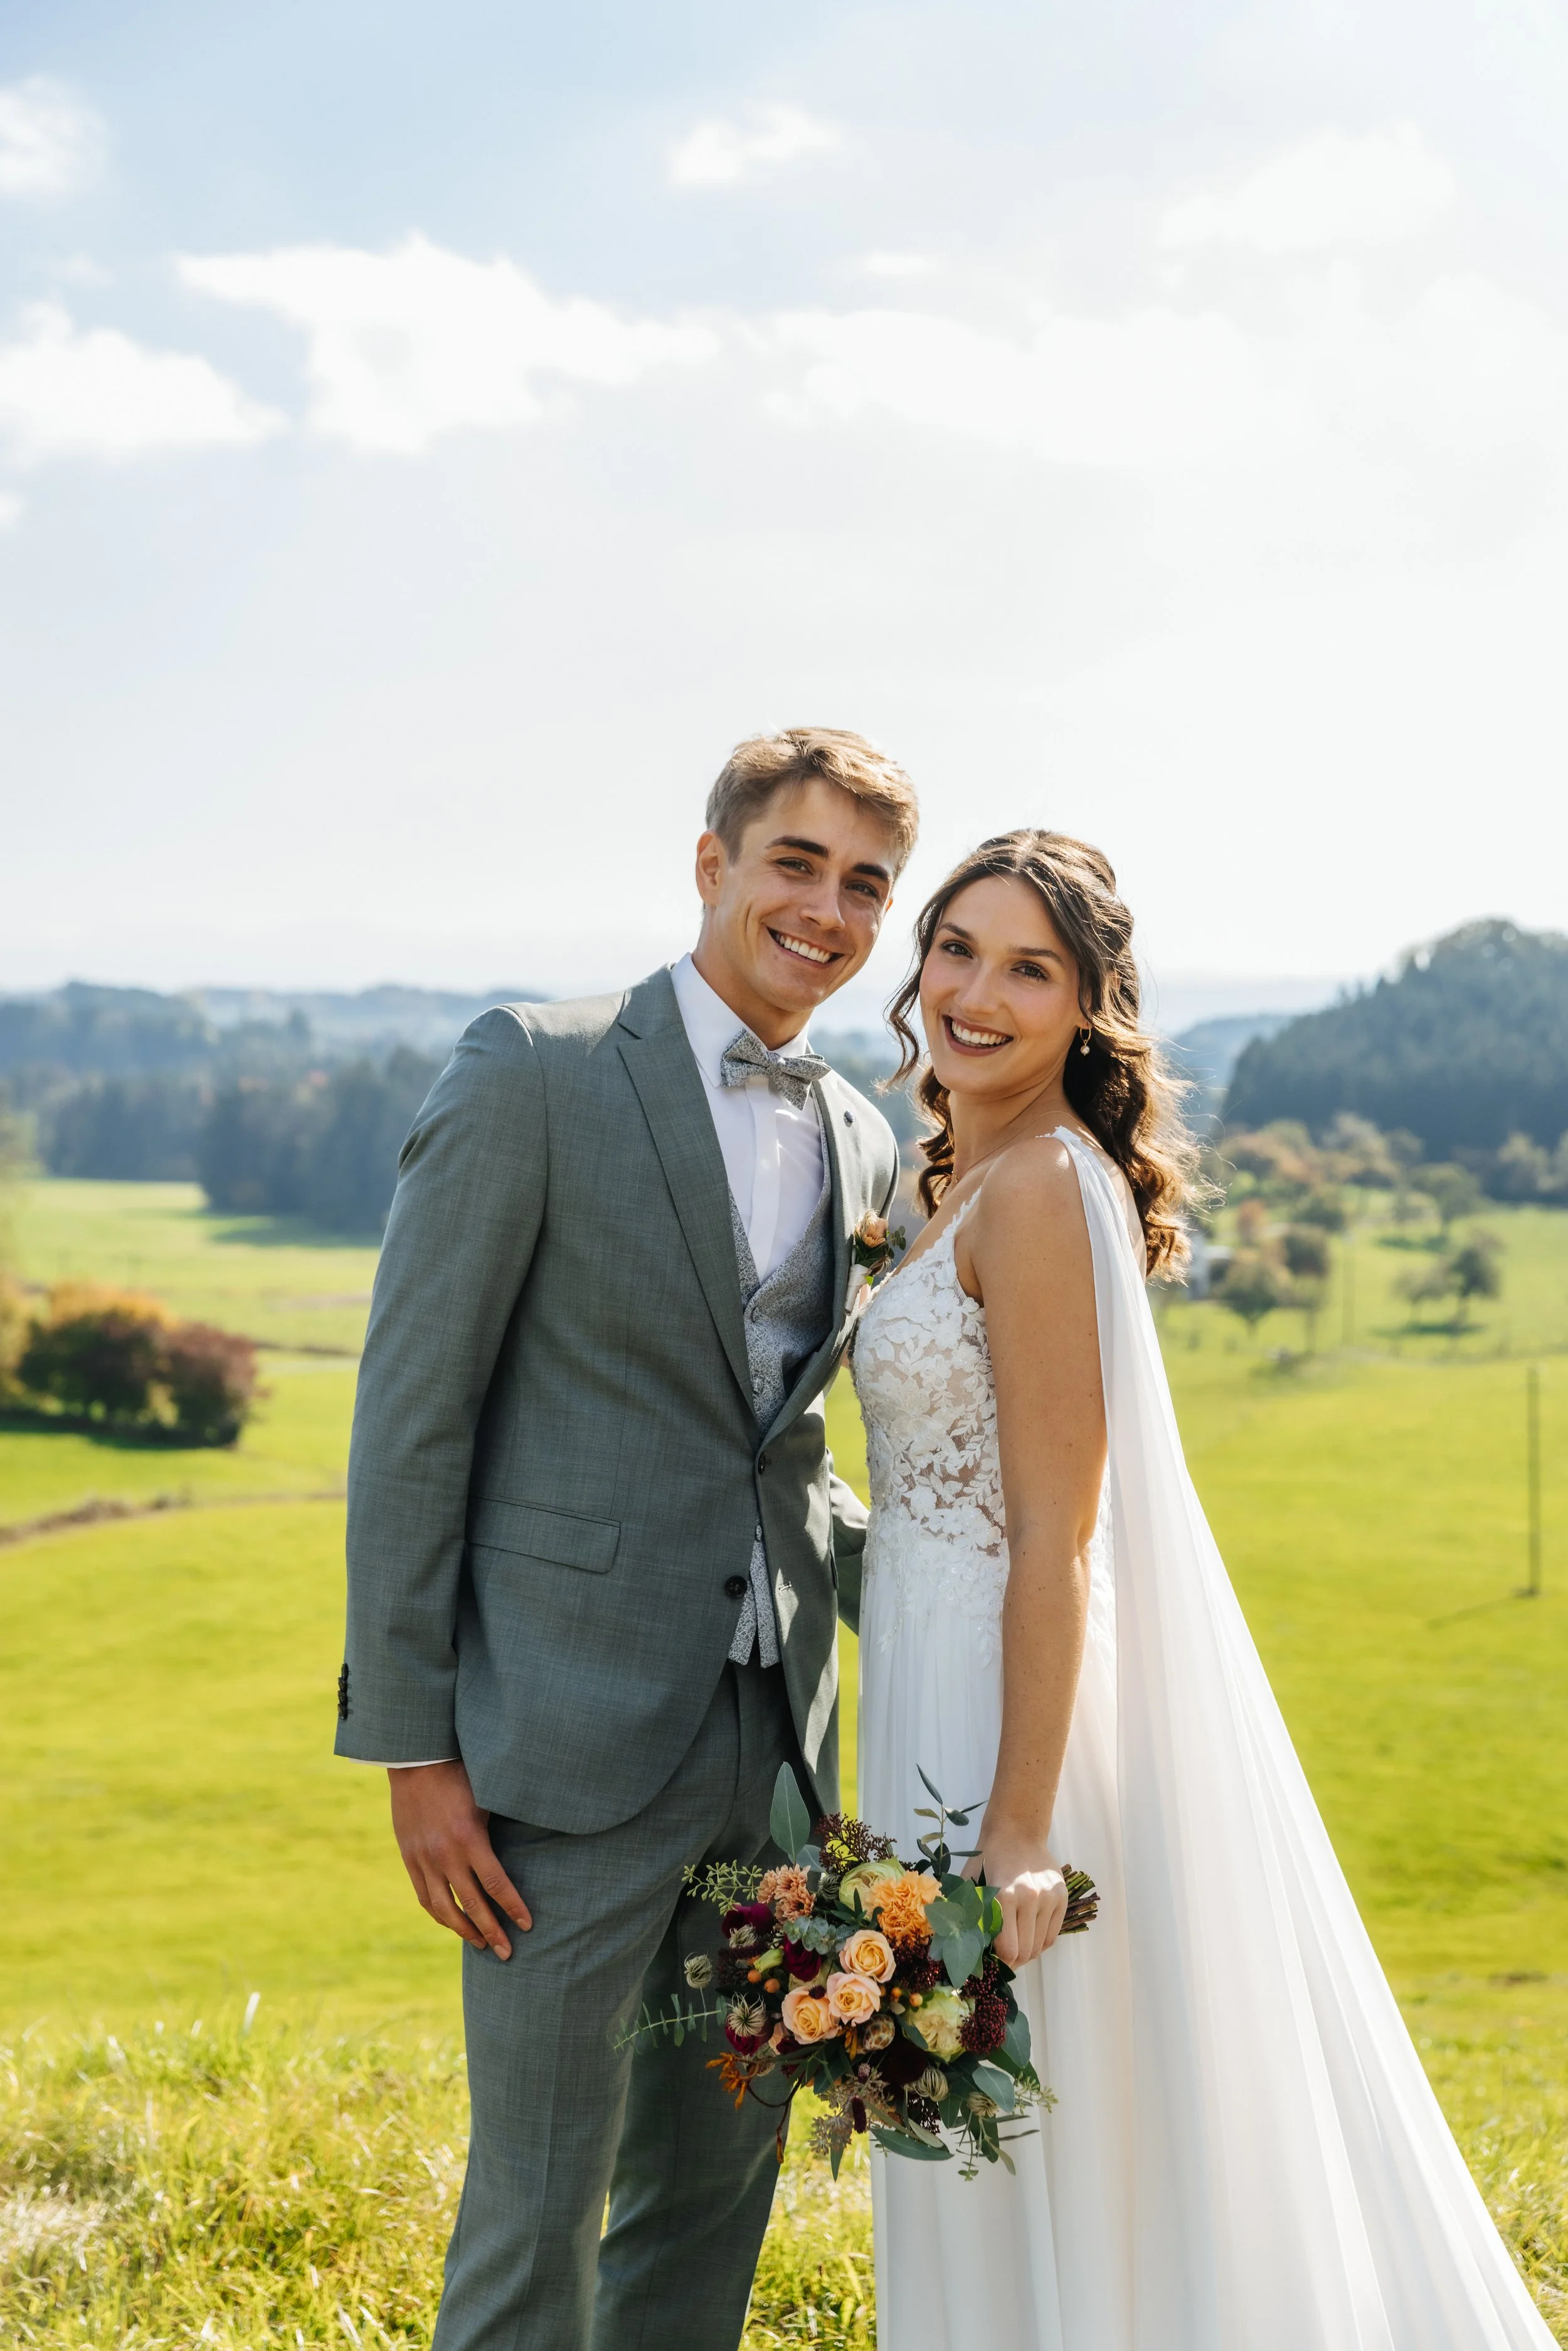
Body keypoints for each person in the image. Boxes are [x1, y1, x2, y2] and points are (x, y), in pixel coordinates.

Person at [852, 829, 1554, 2350]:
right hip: (925, 1674)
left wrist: (1017, 1825)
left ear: (1088, 1010)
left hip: (999, 1711)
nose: (975, 991)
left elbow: (1057, 1534)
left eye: (1026, 968)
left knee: (1047, 2122)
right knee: (979, 2120)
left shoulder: (1038, 1187)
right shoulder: (956, 1176)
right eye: (956, 948)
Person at [334, 727, 918, 2351]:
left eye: (864, 882)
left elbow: (782, 1460)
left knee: (710, 2202)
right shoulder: (533, 1065)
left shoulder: (864, 1140)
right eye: (795, 862)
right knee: (533, 2214)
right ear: (711, 861)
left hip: (777, 1756)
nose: (827, 907)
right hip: (558, 1762)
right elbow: (410, 1428)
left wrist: (979, 1604)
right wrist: (413, 1750)